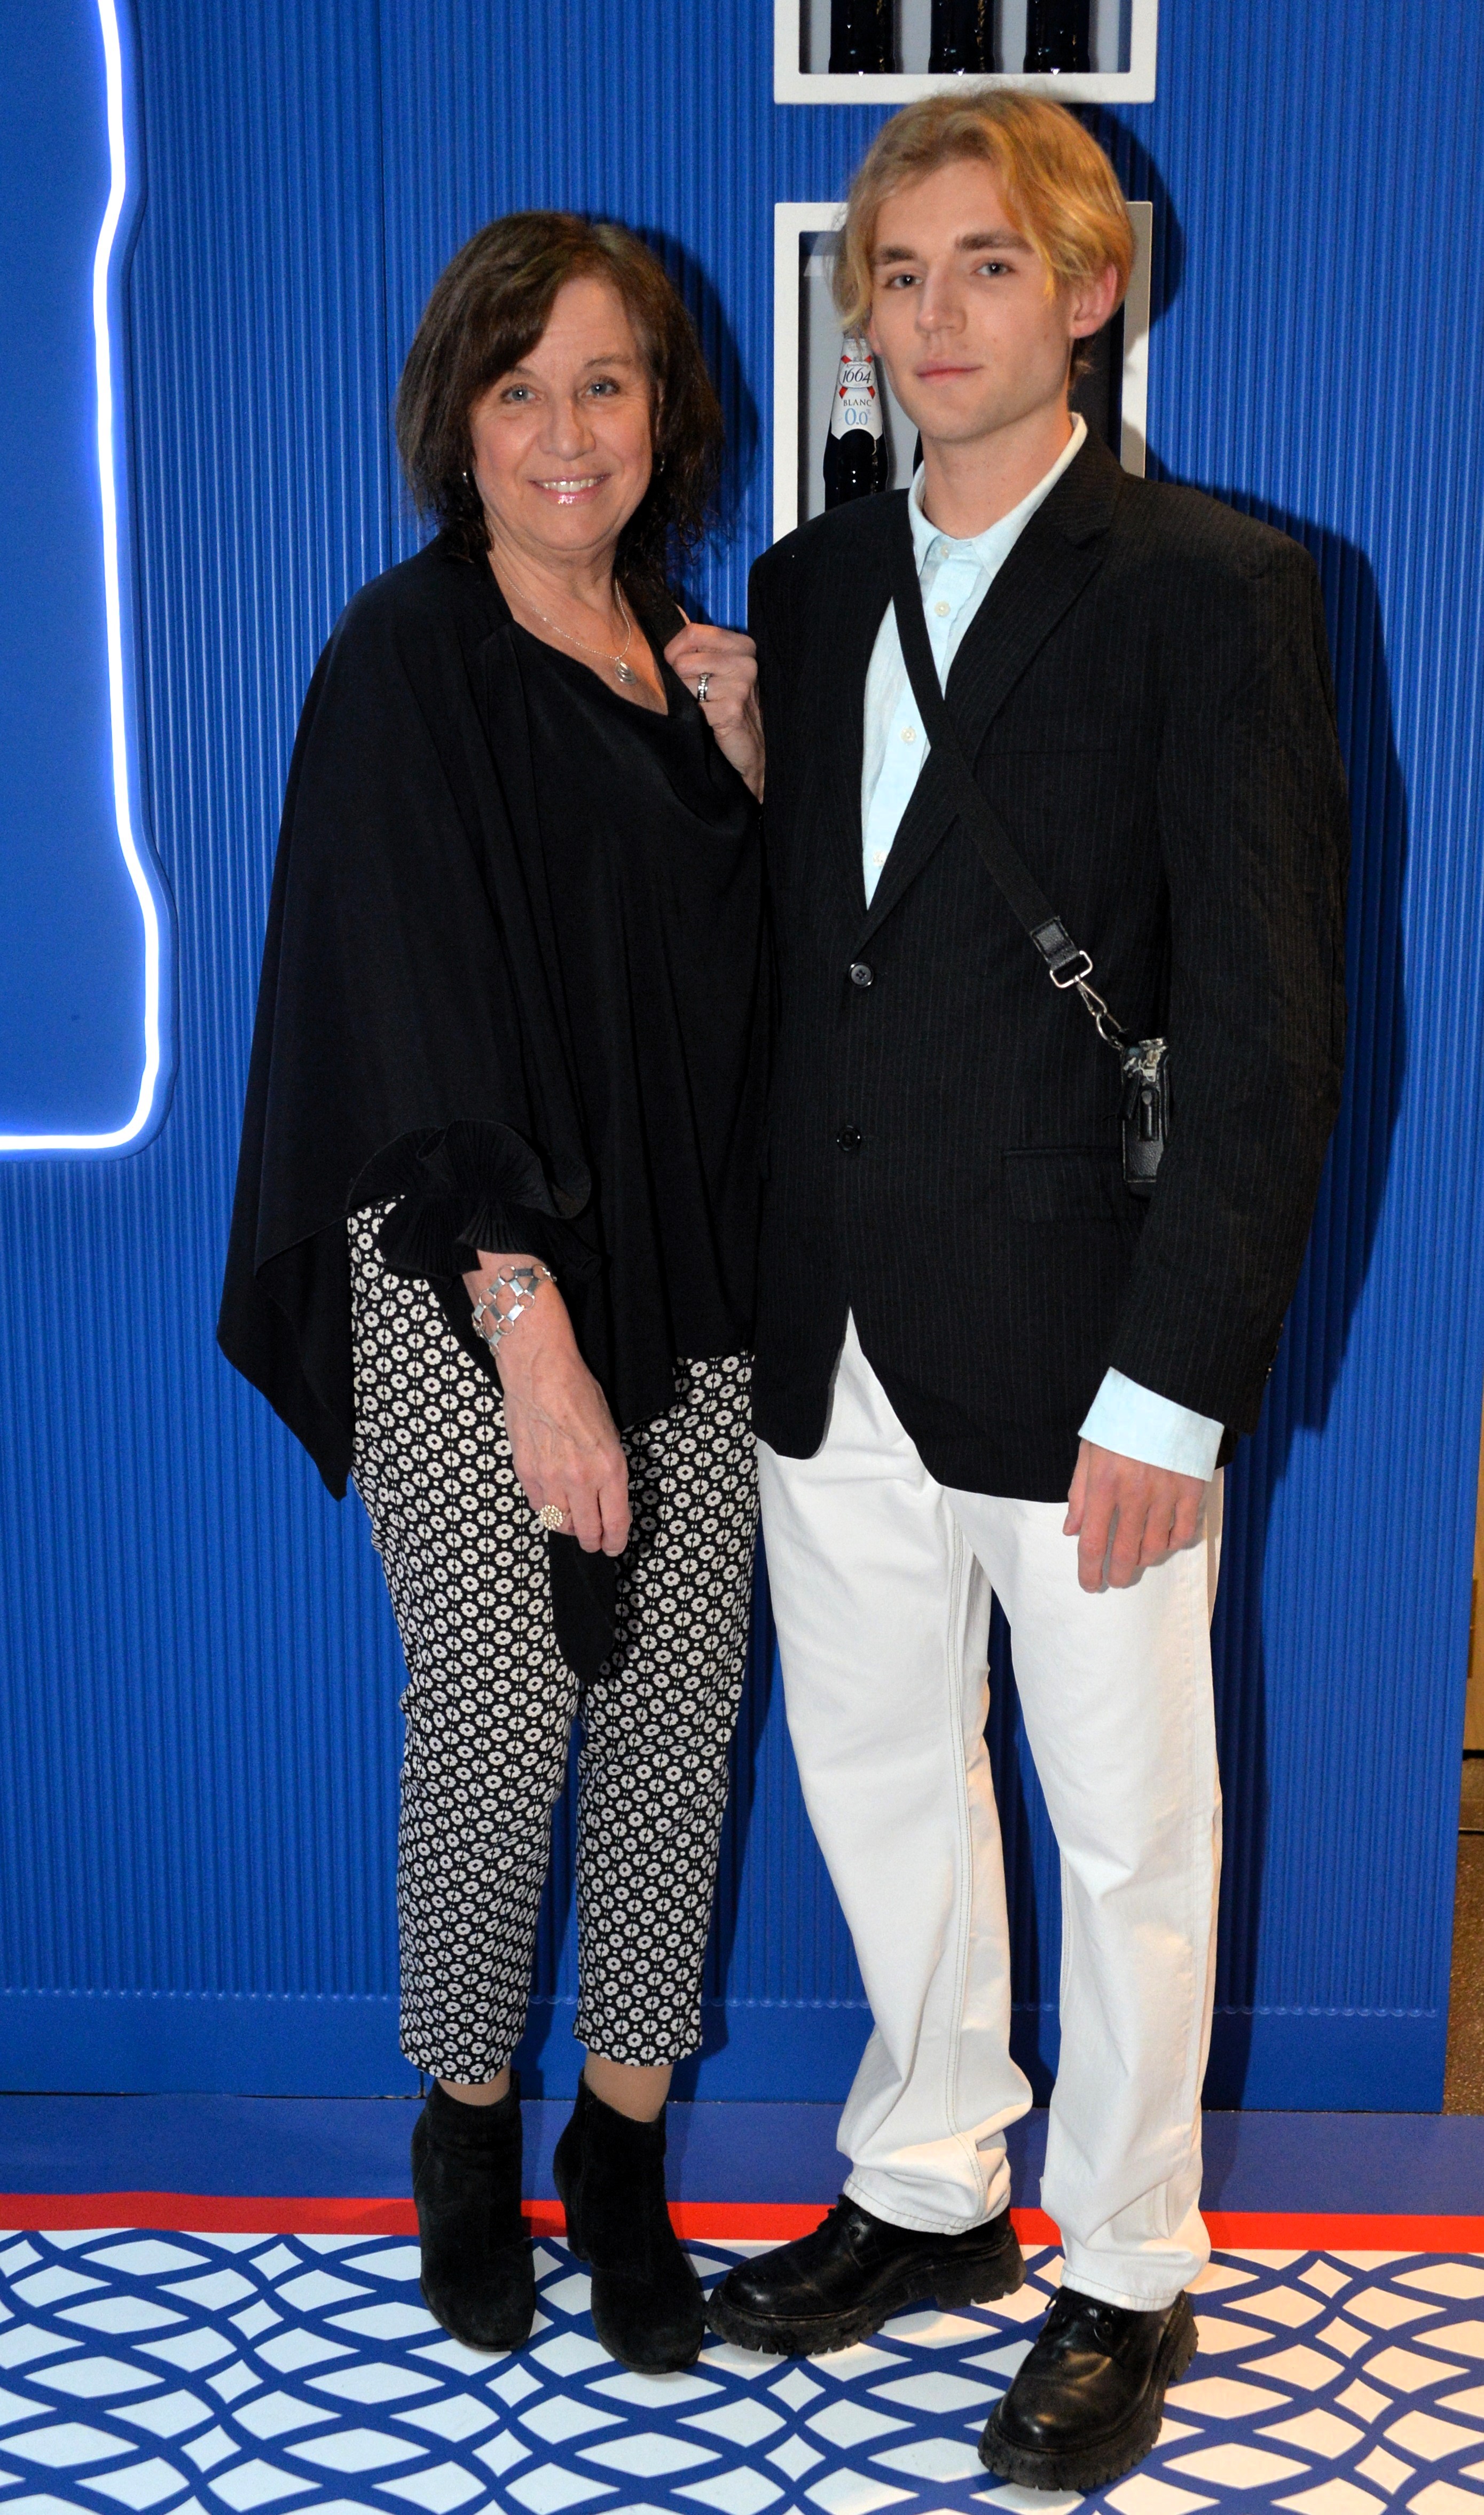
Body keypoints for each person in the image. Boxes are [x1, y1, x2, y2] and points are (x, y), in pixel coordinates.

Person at [706, 92, 1347, 2495]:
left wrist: (1176, 1388)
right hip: (832, 1320)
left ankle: (1128, 2260)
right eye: (898, 274)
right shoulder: (804, 590)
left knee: (1124, 1826)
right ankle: (926, 2183)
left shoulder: (1214, 588)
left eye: (986, 265)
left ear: (1089, 291)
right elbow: (836, 958)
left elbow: (1270, 1028)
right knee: (880, 1776)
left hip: (1094, 1346)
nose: (934, 314)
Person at [218, 211, 767, 2375]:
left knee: (675, 1723)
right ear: (456, 420)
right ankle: (463, 2129)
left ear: (665, 412)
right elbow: (406, 1005)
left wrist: (749, 781)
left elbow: (750, 1012)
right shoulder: (404, 660)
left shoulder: (686, 660)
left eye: (604, 382)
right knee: (501, 1710)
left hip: (693, 1273)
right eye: (517, 386)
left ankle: (619, 2148)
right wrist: (526, 1326)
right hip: (466, 1270)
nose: (564, 429)